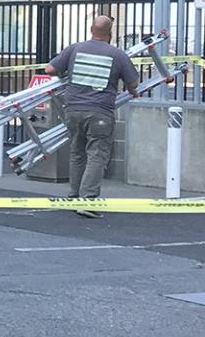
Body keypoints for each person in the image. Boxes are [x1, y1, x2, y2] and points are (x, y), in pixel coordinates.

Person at [47, 14, 143, 216]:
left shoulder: (75, 48)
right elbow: (133, 83)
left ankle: (73, 197)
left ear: (91, 29)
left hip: (72, 110)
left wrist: (65, 74)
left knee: (77, 153)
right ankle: (88, 201)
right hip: (99, 111)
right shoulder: (117, 54)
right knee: (97, 155)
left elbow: (50, 69)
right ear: (110, 33)